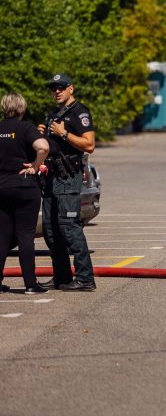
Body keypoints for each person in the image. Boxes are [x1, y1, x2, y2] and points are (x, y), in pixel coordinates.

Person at [39, 73, 96, 292]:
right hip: (52, 179)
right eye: (53, 88)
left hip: (68, 178)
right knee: (51, 231)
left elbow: (89, 145)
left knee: (70, 228)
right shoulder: (53, 115)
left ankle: (85, 278)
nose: (57, 91)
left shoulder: (80, 113)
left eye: (61, 87)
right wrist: (41, 134)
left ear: (70, 88)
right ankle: (62, 276)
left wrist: (63, 134)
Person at [0, 93, 49, 295]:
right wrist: (36, 166)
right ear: (22, 108)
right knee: (25, 236)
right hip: (25, 187)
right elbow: (43, 147)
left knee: (1, 237)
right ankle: (30, 284)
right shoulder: (25, 128)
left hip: (1, 187)